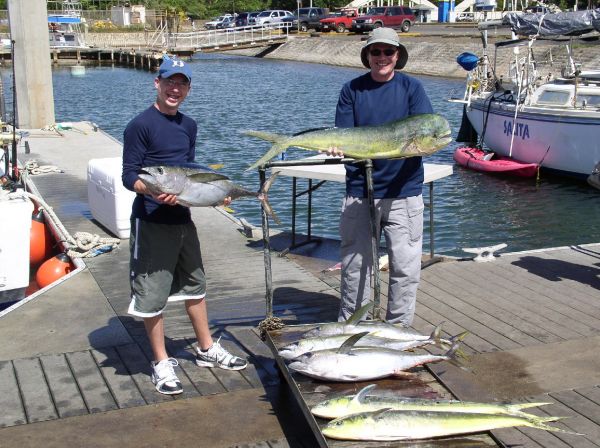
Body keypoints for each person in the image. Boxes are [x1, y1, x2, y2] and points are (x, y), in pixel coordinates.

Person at [122, 56, 247, 395]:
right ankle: (161, 362)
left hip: (182, 218)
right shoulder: (140, 125)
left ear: (188, 88)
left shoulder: (188, 125)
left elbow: (192, 174)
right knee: (152, 294)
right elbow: (129, 177)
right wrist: (153, 190)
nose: (175, 88)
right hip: (151, 222)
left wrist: (216, 196)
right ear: (157, 82)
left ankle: (207, 349)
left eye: (182, 83)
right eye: (169, 81)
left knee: (196, 285)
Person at [330, 27, 433, 326]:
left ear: (397, 55)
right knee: (355, 266)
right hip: (360, 190)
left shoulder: (412, 88)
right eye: (376, 51)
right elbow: (345, 136)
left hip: (404, 192)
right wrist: (340, 146)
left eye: (388, 51)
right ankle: (353, 327)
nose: (382, 57)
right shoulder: (352, 90)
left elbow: (425, 133)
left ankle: (398, 330)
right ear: (368, 56)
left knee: (405, 268)